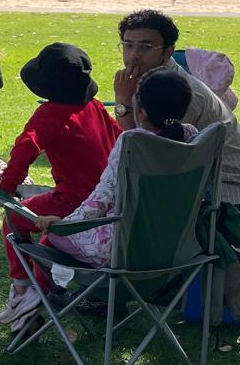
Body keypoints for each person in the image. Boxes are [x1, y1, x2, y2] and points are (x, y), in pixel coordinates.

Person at [0, 42, 121, 326]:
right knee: (48, 234)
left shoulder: (50, 115)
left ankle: (21, 288)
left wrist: (6, 187)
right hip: (108, 199)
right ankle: (41, 292)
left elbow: (26, 147)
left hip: (76, 199)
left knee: (13, 218)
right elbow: (119, 138)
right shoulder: (95, 106)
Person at [26, 66, 198, 269]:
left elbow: (101, 198)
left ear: (141, 111)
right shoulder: (192, 137)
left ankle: (60, 286)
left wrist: (63, 224)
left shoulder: (133, 143)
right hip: (176, 244)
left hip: (125, 249)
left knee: (54, 235)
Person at [111, 9, 240, 209]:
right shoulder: (146, 81)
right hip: (195, 181)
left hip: (229, 191)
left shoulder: (178, 93)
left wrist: (123, 103)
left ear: (167, 52)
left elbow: (148, 155)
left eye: (145, 47)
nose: (134, 56)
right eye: (128, 45)